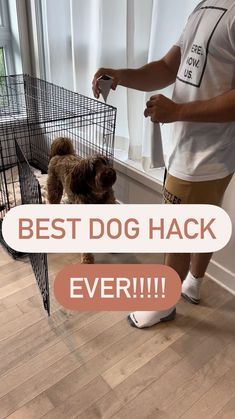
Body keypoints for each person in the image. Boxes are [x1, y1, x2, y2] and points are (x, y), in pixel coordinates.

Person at [92, 0, 235, 328]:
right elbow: (167, 68)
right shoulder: (204, 6)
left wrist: (178, 112)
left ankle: (163, 305)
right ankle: (194, 283)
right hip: (192, 148)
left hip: (205, 155)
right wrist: (120, 76)